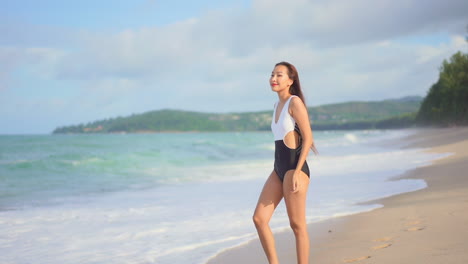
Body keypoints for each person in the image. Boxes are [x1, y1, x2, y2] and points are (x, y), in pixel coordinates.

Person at [253, 61, 318, 264]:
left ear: (290, 80)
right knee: (259, 219)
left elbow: (308, 138)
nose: (273, 78)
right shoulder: (276, 105)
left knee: (297, 226)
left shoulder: (294, 102)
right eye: (272, 74)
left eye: (279, 75)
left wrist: (298, 172)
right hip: (278, 168)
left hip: (294, 168)